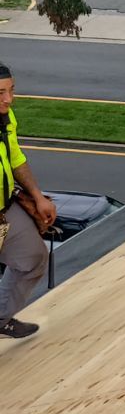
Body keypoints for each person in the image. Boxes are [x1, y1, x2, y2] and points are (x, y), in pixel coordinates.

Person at [0, 63, 55, 338]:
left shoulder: (6, 119)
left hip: (5, 212)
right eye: (0, 93)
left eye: (11, 91)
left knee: (33, 258)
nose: (8, 100)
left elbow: (16, 159)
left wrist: (37, 196)